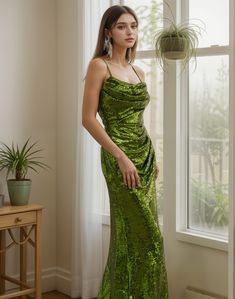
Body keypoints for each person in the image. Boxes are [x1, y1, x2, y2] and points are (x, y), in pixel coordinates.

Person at [82, 5, 168, 299]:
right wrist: (120, 157)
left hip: (143, 156)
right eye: (121, 26)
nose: (130, 31)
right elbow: (88, 119)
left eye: (133, 25)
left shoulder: (138, 70)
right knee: (151, 239)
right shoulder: (99, 66)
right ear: (108, 32)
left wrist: (151, 156)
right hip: (119, 159)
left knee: (133, 240)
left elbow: (139, 121)